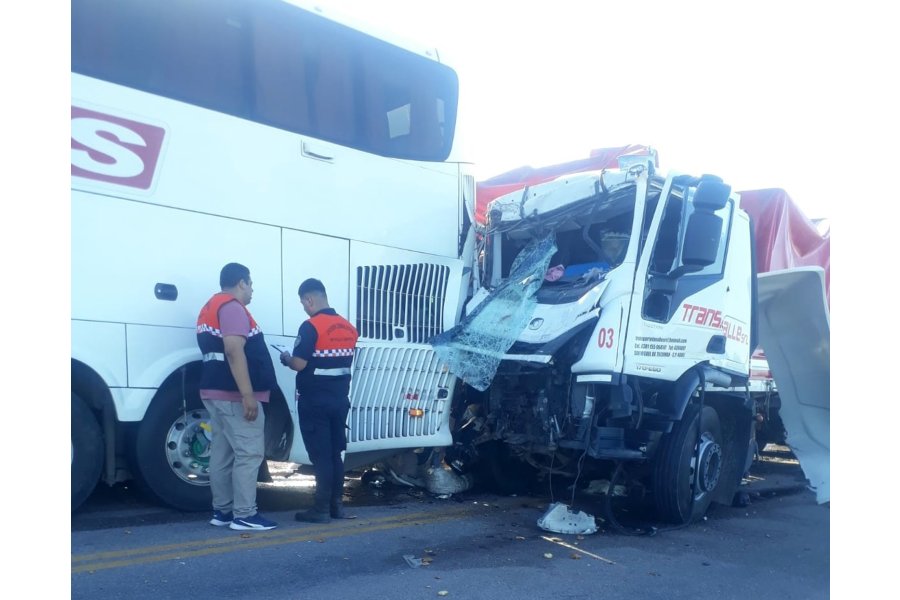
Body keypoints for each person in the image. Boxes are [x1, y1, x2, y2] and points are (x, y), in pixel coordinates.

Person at [196, 262, 278, 531]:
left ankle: (222, 511)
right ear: (241, 282)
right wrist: (248, 395)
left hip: (214, 390)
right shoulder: (232, 308)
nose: (252, 290)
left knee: (222, 452)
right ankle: (245, 514)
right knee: (249, 452)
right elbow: (233, 350)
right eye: (251, 284)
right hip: (233, 394)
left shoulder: (210, 306)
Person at [280, 278, 359, 523]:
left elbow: (299, 364)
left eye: (303, 302)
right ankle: (337, 506)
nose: (304, 307)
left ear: (309, 299)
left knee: (321, 456)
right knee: (335, 454)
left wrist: (286, 358)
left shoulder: (310, 327)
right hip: (339, 401)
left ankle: (321, 509)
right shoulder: (348, 328)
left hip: (314, 402)